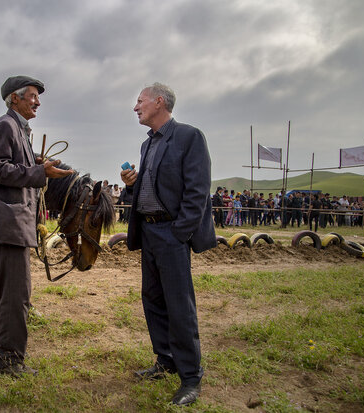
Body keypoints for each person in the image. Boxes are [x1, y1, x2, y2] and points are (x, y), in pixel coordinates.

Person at [121, 83, 215, 406]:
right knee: (153, 299)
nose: (135, 107)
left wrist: (179, 233)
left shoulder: (189, 137)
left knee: (179, 305)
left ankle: (191, 377)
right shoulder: (147, 146)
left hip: (172, 235)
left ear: (159, 102)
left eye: (140, 101)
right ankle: (165, 360)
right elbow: (148, 193)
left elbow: (198, 190)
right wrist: (130, 187)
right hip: (148, 234)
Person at [0, 75, 73, 377]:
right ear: (14, 99)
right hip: (10, 223)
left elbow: (12, 168)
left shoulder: (17, 129)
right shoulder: (5, 126)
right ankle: (8, 361)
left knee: (2, 293)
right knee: (17, 295)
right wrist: (38, 171)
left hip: (9, 224)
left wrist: (38, 166)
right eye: (32, 96)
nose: (38, 102)